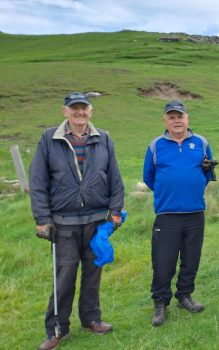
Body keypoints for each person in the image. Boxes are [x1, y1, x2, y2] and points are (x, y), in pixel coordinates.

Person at [29, 92, 125, 350]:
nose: (79, 113)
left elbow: (115, 178)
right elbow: (38, 182)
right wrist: (42, 218)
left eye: (84, 108)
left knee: (93, 273)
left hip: (96, 221)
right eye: (74, 108)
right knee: (65, 275)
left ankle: (91, 318)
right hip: (63, 223)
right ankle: (57, 329)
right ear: (65, 111)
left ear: (90, 111)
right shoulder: (50, 139)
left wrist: (115, 211)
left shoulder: (103, 138)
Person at [143, 100, 216, 327]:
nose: (176, 120)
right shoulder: (156, 145)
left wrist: (190, 188)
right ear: (165, 120)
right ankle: (160, 303)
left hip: (195, 213)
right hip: (167, 215)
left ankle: (184, 295)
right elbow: (149, 176)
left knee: (191, 258)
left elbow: (207, 172)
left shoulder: (201, 143)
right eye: (171, 116)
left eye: (180, 116)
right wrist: (168, 192)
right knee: (163, 261)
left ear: (187, 118)